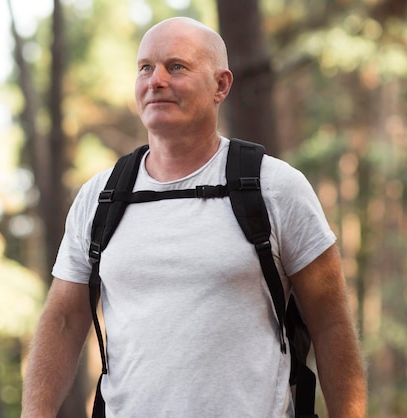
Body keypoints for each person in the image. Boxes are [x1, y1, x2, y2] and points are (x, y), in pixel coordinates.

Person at [21, 17, 367, 418]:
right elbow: (63, 320)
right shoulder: (99, 198)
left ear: (221, 85)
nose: (156, 80)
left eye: (177, 66)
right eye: (145, 67)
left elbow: (331, 325)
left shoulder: (275, 188)